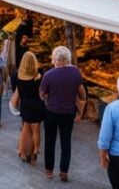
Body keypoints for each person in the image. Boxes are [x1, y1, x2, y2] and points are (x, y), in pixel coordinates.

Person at [39, 46, 85, 181]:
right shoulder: (76, 73)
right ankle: (64, 171)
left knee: (50, 141)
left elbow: (42, 94)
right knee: (66, 142)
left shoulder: (48, 75)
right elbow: (81, 93)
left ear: (55, 59)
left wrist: (48, 97)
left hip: (51, 112)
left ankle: (49, 170)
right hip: (68, 112)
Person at [12, 51, 46, 163]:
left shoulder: (16, 75)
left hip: (25, 106)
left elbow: (16, 91)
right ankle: (35, 151)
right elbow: (43, 93)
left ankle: (22, 152)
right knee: (36, 130)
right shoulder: (38, 76)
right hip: (37, 105)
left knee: (25, 129)